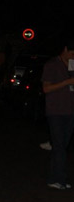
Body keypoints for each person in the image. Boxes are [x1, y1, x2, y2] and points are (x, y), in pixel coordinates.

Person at [41, 37, 74, 189]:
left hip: (70, 110)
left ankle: (55, 178)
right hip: (56, 111)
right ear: (65, 50)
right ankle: (59, 179)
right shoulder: (52, 65)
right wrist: (66, 82)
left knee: (62, 146)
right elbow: (46, 88)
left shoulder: (72, 65)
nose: (73, 57)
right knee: (59, 146)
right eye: (72, 53)